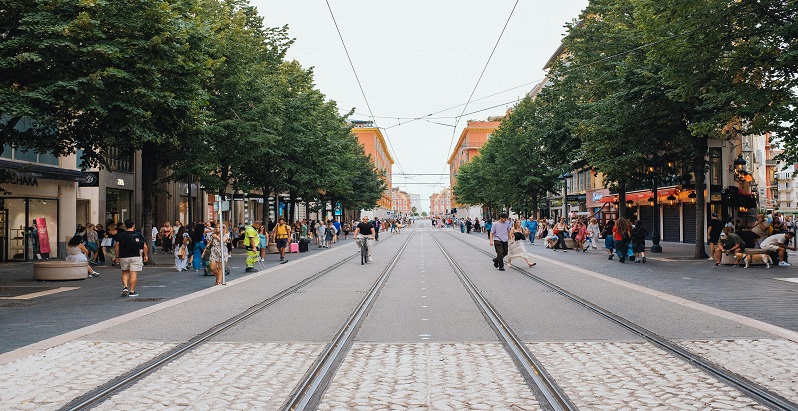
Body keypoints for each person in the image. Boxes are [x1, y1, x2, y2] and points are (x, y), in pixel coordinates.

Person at [114, 219, 148, 297]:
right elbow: (144, 246)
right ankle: (132, 291)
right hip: (136, 256)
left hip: (124, 256)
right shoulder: (138, 234)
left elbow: (117, 246)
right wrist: (145, 255)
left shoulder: (120, 235)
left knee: (125, 272)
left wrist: (117, 256)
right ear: (133, 226)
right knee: (133, 273)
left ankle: (125, 287)